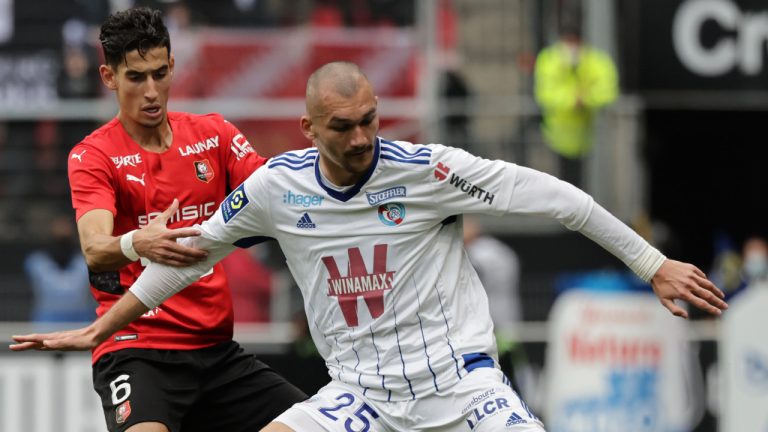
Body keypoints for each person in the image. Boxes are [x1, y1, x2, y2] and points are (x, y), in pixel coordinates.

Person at [11, 62, 728, 432]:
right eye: (343, 127)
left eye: (370, 120)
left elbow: (560, 198)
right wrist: (104, 327)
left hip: (460, 387)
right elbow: (191, 255)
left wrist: (653, 263)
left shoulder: (429, 171)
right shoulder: (276, 189)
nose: (361, 138)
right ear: (308, 129)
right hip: (362, 396)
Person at [13, 7, 306, 432]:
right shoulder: (93, 156)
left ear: (172, 65)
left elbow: (277, 192)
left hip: (215, 350)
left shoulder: (214, 135)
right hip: (136, 349)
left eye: (159, 74)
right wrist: (137, 242)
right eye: (136, 77)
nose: (151, 91)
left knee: (316, 424)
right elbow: (95, 249)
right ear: (109, 77)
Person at [533, 11, 618, 187]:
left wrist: (586, 99)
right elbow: (545, 93)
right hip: (557, 137)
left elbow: (608, 90)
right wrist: (573, 100)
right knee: (559, 185)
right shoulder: (549, 59)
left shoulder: (595, 59)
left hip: (590, 137)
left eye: (574, 41)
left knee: (587, 187)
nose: (571, 47)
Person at [24, 214, 94, 323]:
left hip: (81, 321)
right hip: (46, 322)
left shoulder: (85, 262)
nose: (62, 231)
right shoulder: (36, 262)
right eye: (59, 227)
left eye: (66, 227)